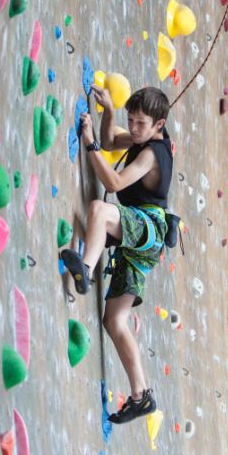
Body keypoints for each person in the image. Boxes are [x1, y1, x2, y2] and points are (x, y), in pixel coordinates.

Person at [60, 85, 173, 425]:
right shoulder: (143, 139)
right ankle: (141, 396)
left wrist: (90, 143)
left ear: (159, 125)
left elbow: (112, 183)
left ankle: (87, 269)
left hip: (147, 229)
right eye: (131, 121)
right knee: (115, 320)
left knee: (100, 208)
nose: (134, 129)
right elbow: (112, 142)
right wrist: (108, 112)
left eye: (140, 123)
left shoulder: (153, 153)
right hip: (142, 246)